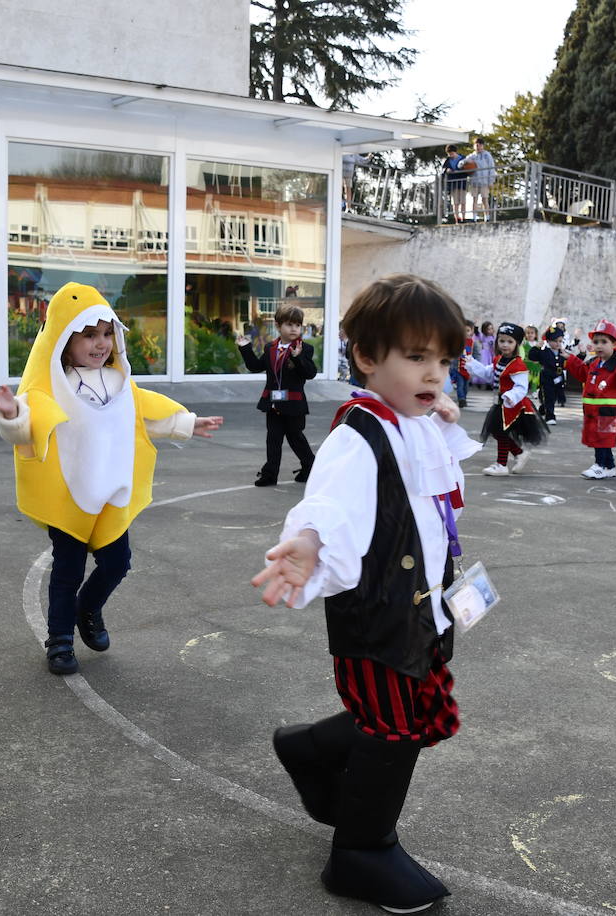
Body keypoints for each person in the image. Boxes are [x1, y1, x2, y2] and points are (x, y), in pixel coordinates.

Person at [251, 273, 479, 914]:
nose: (433, 373)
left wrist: (439, 414)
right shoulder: (359, 434)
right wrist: (308, 543)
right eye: (415, 357)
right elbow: (330, 505)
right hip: (377, 615)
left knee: (402, 712)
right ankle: (361, 852)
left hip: (420, 605)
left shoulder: (411, 419)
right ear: (368, 358)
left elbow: (431, 482)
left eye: (443, 359)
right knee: (395, 729)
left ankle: (307, 747)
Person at [0, 282, 223, 675]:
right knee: (67, 571)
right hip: (69, 497)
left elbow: (147, 413)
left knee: (117, 563)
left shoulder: (119, 382)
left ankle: (88, 608)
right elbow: (26, 427)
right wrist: (10, 413)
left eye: (107, 333)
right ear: (64, 340)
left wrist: (188, 423)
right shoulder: (51, 387)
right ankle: (59, 641)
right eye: (89, 335)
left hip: (110, 493)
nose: (101, 344)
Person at [238, 303, 319, 485]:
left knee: (295, 437)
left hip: (294, 404)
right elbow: (255, 367)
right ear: (278, 326)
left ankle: (310, 466)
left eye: (297, 325)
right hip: (273, 402)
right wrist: (245, 348)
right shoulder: (270, 348)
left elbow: (310, 373)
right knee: (272, 439)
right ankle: (270, 474)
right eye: (289, 324)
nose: (294, 329)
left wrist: (297, 358)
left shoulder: (304, 349)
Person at [469, 322, 548, 476]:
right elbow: (488, 374)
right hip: (500, 404)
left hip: (513, 405)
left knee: (502, 432)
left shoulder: (518, 365)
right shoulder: (498, 359)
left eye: (510, 342)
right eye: (502, 340)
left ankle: (501, 464)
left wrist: (510, 396)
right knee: (498, 432)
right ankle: (519, 453)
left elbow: (521, 387)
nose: (505, 345)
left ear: (517, 344)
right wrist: (472, 364)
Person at [565, 320, 616, 479]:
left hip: (608, 411)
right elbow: (581, 372)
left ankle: (600, 465)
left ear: (614, 344)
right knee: (596, 438)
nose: (599, 346)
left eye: (604, 342)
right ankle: (610, 466)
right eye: (596, 342)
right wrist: (570, 359)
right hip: (593, 411)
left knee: (602, 439)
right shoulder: (595, 363)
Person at [529, 327, 568, 426]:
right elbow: (532, 356)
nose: (558, 343)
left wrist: (582, 354)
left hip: (558, 379)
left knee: (553, 398)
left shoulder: (562, 353)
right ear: (549, 341)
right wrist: (536, 347)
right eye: (555, 341)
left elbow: (571, 361)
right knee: (548, 396)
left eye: (560, 341)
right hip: (547, 378)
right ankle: (550, 416)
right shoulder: (544, 352)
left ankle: (543, 409)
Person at [461, 137, 496, 221]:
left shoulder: (487, 155)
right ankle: (474, 217)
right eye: (476, 145)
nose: (478, 146)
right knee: (474, 199)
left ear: (482, 146)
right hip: (474, 181)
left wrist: (491, 181)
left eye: (480, 145)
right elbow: (461, 163)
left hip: (484, 181)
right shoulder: (471, 156)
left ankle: (487, 217)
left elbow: (491, 168)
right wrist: (465, 162)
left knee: (485, 199)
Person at [441, 144, 468, 223]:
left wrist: (459, 171)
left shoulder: (463, 159)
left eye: (452, 153)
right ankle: (457, 218)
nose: (451, 155)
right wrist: (447, 170)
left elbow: (468, 170)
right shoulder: (448, 160)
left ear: (455, 152)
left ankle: (463, 217)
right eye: (449, 154)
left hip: (462, 182)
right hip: (452, 184)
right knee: (455, 202)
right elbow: (443, 170)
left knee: (463, 201)